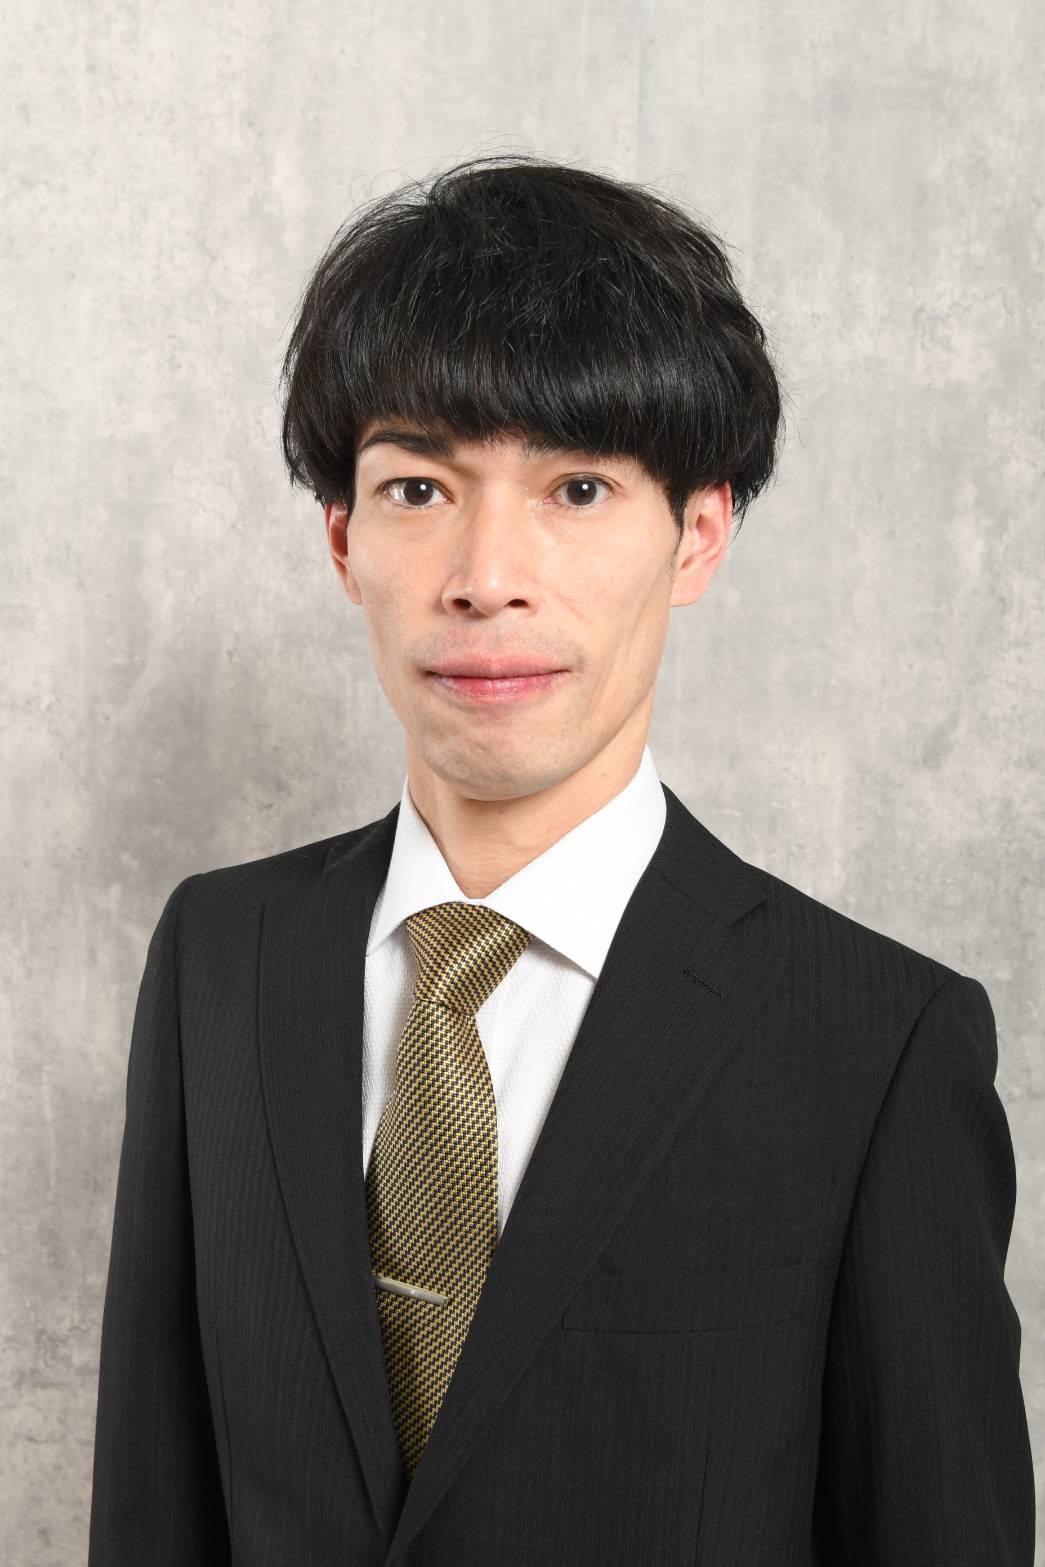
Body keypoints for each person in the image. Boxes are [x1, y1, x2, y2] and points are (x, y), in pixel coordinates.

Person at [88, 153, 1035, 1566]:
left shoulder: (874, 1043)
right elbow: (151, 1506)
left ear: (697, 534)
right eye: (419, 488)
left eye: (578, 488)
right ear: (342, 539)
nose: (487, 577)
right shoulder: (221, 959)